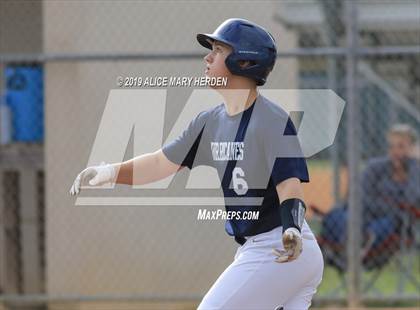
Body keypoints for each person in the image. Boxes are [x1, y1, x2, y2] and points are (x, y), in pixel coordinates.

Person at [70, 18, 324, 309]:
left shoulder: (272, 119)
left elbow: (289, 184)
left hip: (280, 245)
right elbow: (160, 164)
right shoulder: (208, 122)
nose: (207, 57)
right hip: (266, 249)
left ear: (244, 62)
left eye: (218, 50)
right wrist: (109, 173)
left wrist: (291, 228)